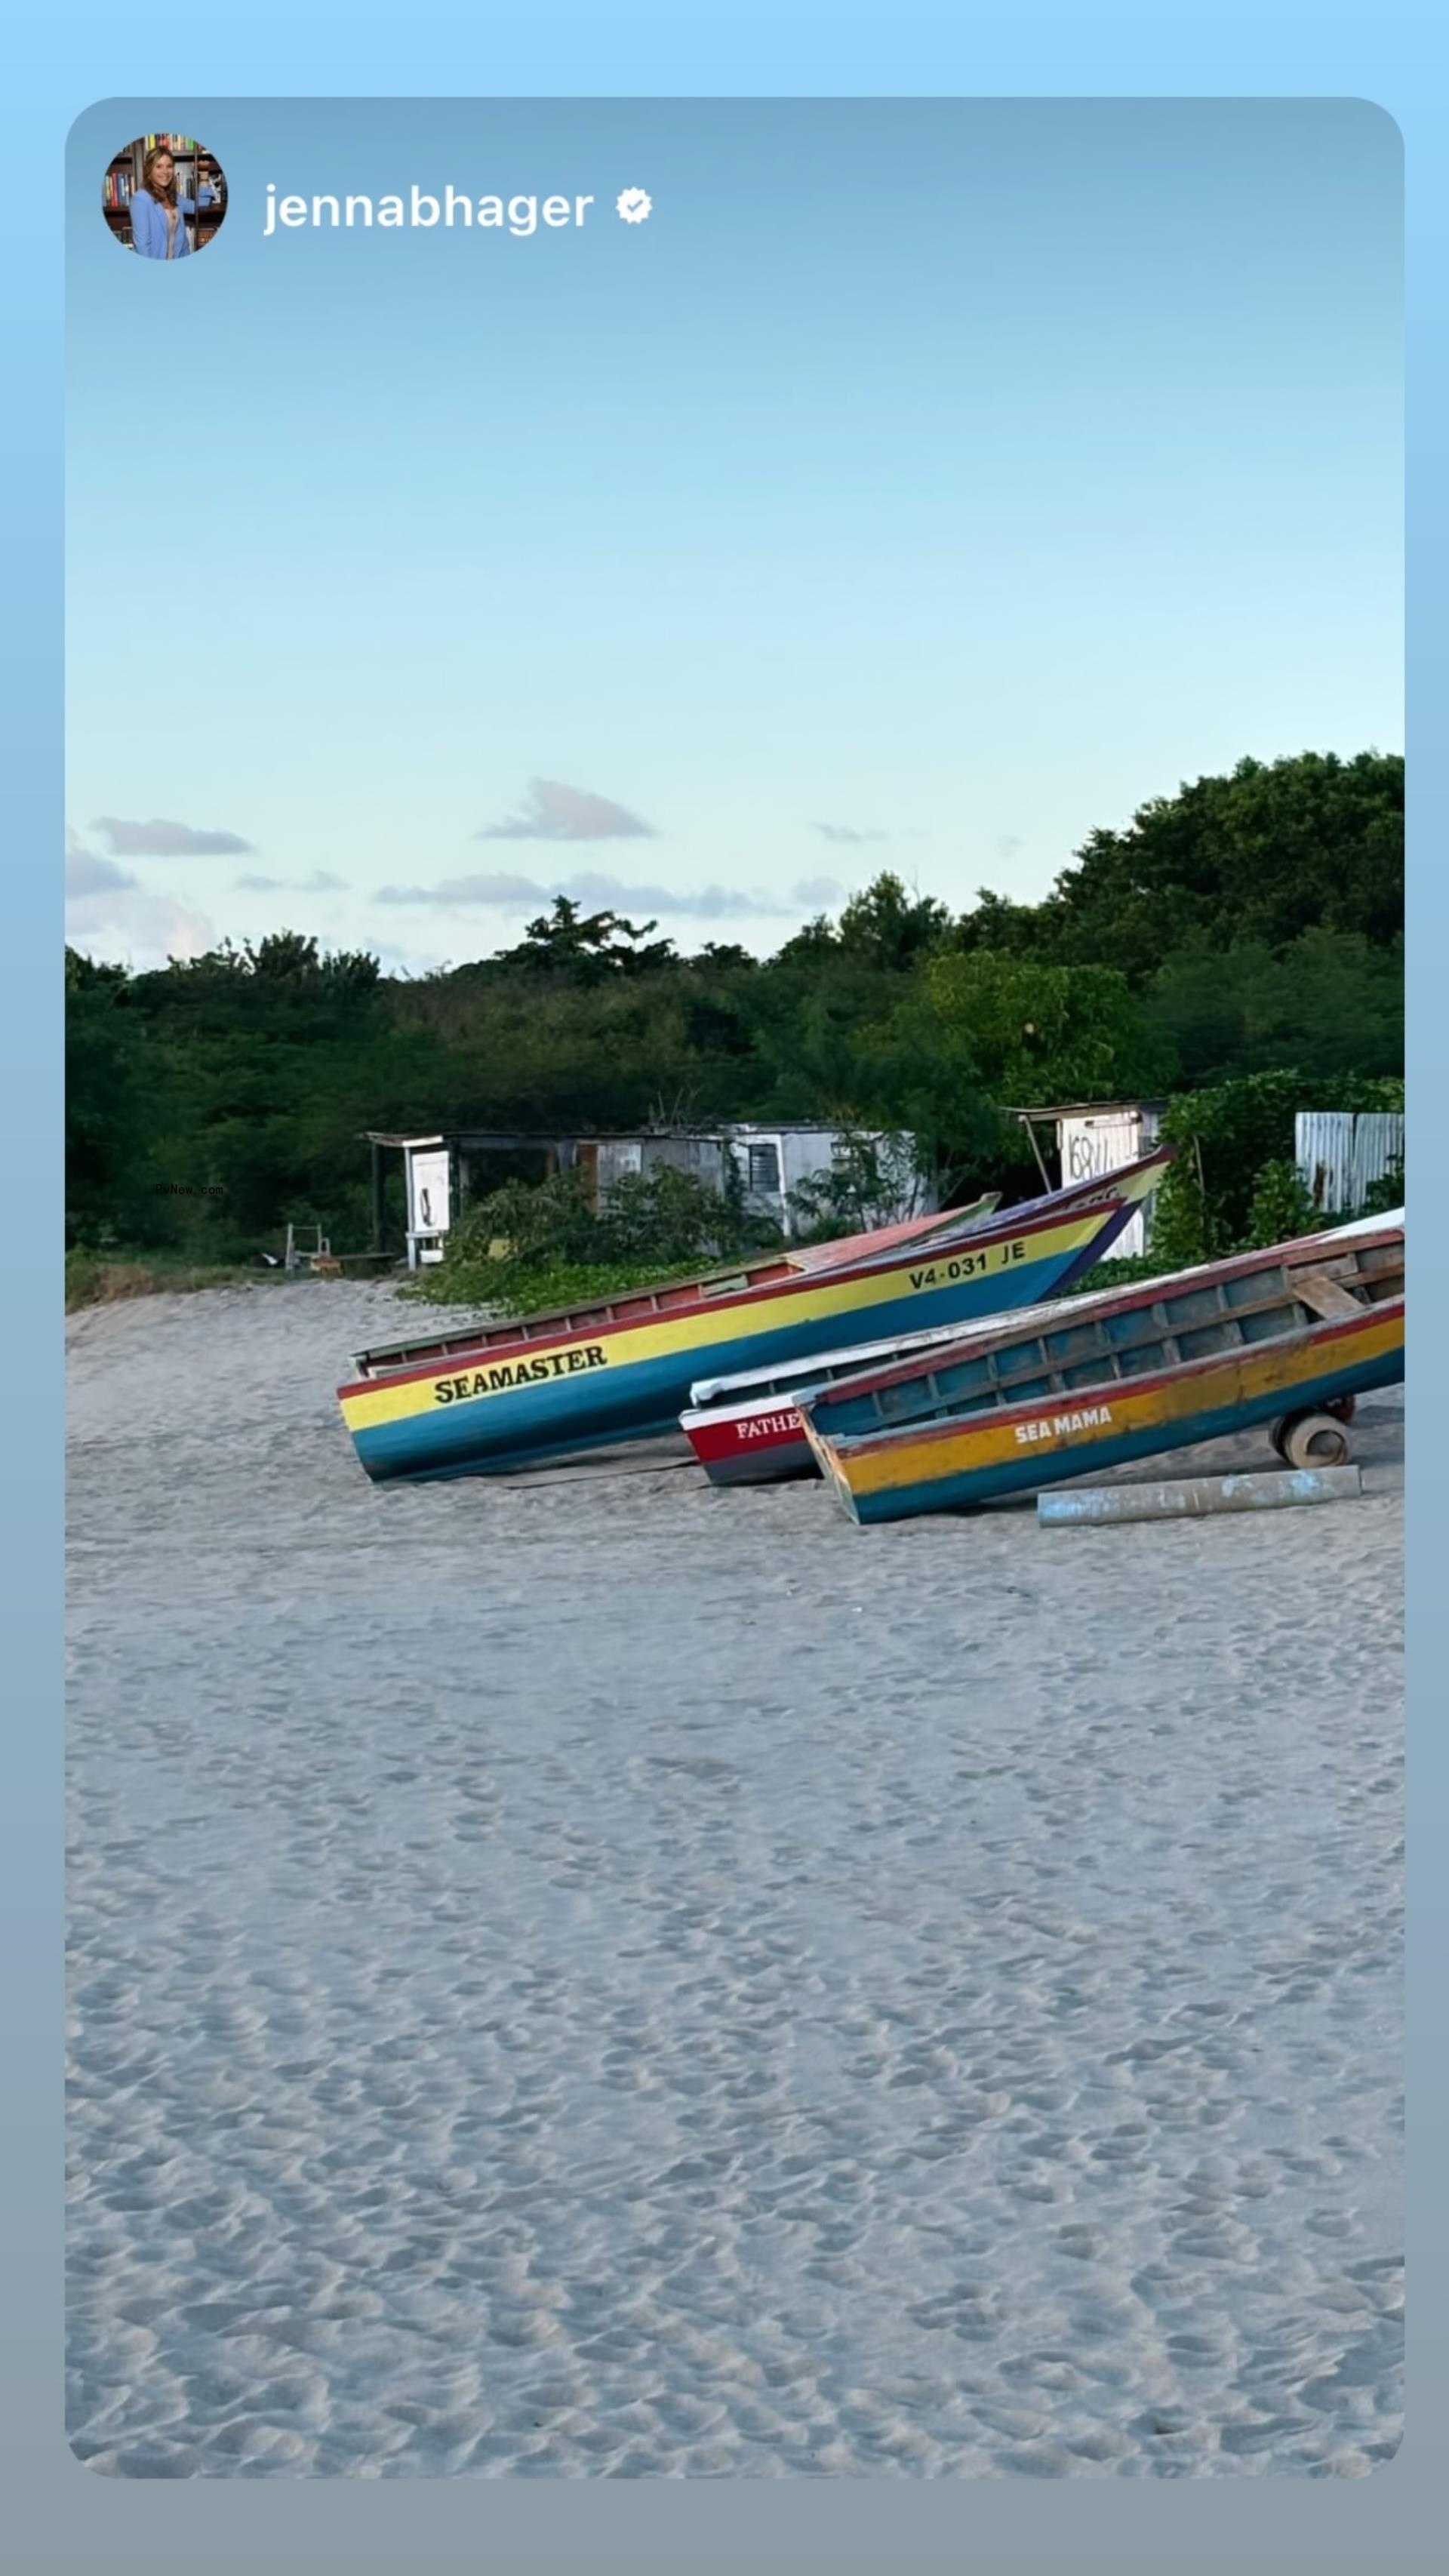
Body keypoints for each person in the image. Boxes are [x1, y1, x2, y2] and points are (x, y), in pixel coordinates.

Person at [129, 146, 215, 260]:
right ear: (149, 170)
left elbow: (200, 206)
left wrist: (203, 173)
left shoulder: (174, 197)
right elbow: (142, 247)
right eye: (159, 166)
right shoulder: (140, 200)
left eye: (169, 166)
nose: (165, 172)